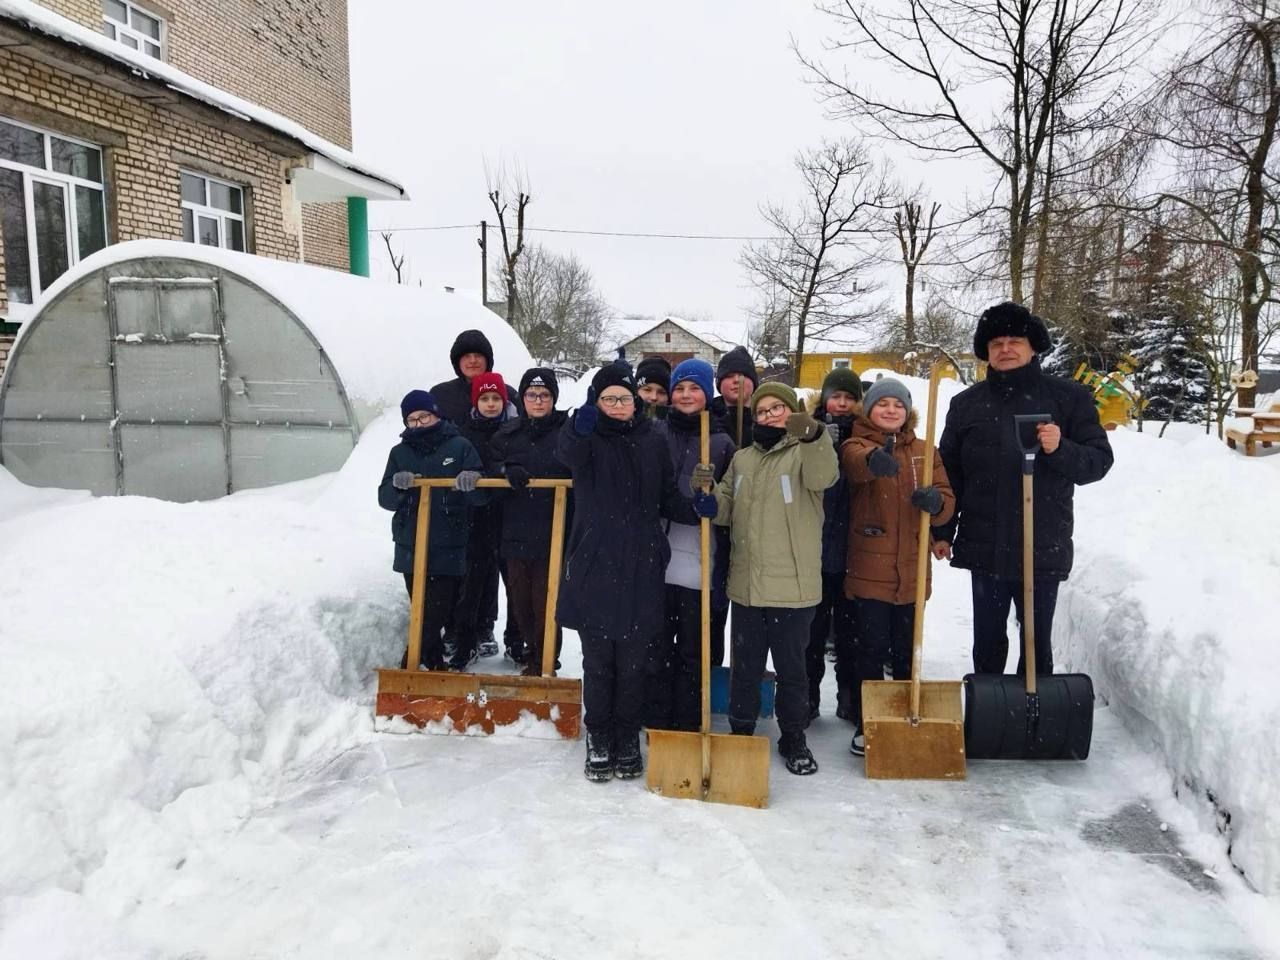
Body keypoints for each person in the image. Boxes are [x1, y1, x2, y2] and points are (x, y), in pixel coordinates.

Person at [935, 301, 1113, 678]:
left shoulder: (1068, 398)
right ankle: (990, 716)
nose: (1006, 349)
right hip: (984, 543)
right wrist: (942, 531)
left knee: (1035, 642)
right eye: (996, 342)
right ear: (986, 351)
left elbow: (1098, 462)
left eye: (1015, 340)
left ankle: (1033, 719)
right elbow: (949, 475)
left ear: (1033, 346)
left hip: (1041, 542)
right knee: (987, 639)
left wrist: (1060, 448)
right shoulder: (966, 404)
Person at [557, 359, 697, 783]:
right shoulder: (585, 437)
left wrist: (697, 509)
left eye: (624, 397)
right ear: (596, 403)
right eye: (609, 398)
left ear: (635, 401)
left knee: (635, 662)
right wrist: (577, 427)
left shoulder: (652, 440)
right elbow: (567, 454)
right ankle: (598, 736)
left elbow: (668, 497)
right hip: (595, 564)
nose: (618, 405)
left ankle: (625, 736)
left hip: (641, 565)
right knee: (599, 662)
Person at [694, 382, 838, 775]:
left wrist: (814, 434)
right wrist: (707, 496)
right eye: (762, 411)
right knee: (746, 669)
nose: (769, 415)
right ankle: (742, 732)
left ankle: (794, 738)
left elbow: (825, 476)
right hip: (746, 587)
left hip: (792, 588)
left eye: (778, 408)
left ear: (793, 412)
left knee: (793, 671)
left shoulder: (806, 454)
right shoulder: (742, 459)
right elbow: (725, 508)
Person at [841, 378, 955, 756]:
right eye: (882, 404)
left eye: (898, 405)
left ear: (908, 412)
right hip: (868, 569)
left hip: (912, 570)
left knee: (908, 649)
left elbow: (948, 497)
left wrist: (936, 502)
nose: (890, 410)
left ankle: (906, 713)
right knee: (870, 650)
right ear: (868, 409)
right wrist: (875, 461)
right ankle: (867, 720)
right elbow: (854, 466)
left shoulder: (925, 451)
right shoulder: (856, 443)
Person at [644, 358, 735, 732]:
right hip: (657, 560)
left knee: (693, 650)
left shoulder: (721, 441)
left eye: (694, 388)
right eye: (679, 388)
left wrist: (711, 503)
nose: (685, 395)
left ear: (707, 393)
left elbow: (731, 501)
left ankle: (689, 718)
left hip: (700, 561)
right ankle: (658, 717)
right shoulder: (653, 434)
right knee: (657, 646)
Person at [378, 390, 488, 670]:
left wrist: (474, 479)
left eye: (423, 416)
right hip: (410, 543)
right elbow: (385, 499)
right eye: (412, 419)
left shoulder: (459, 446)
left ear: (436, 414)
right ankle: (434, 663)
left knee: (436, 610)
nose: (419, 423)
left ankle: (409, 665)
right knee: (421, 607)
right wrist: (397, 486)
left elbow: (482, 497)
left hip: (448, 543)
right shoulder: (399, 453)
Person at [431, 329, 522, 659]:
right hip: (460, 500)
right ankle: (459, 629)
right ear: (457, 361)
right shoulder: (442, 395)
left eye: (479, 355)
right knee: (467, 567)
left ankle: (493, 628)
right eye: (466, 355)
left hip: (507, 501)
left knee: (505, 567)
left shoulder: (508, 396)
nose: (472, 359)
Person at [491, 368, 572, 676]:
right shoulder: (508, 434)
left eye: (545, 395)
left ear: (553, 399)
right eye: (532, 395)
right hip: (515, 530)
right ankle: (531, 650)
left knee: (546, 601)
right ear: (522, 398)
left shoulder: (567, 432)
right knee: (521, 601)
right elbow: (489, 462)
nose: (538, 401)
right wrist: (504, 469)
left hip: (554, 530)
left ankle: (546, 660)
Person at [451, 372, 520, 669]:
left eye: (496, 399)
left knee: (515, 584)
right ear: (475, 401)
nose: (491, 404)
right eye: (485, 398)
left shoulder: (516, 430)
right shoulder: (463, 433)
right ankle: (465, 642)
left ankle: (516, 642)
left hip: (512, 517)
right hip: (476, 518)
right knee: (472, 584)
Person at [806, 367, 862, 722]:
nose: (841, 403)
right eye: (835, 396)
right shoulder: (807, 430)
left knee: (851, 634)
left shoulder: (868, 435)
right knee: (810, 636)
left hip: (854, 551)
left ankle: (850, 696)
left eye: (848, 397)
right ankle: (807, 697)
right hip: (812, 548)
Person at [710, 346, 758, 448]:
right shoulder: (706, 415)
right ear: (719, 383)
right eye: (729, 376)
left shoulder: (769, 416)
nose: (736, 380)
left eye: (743, 374)